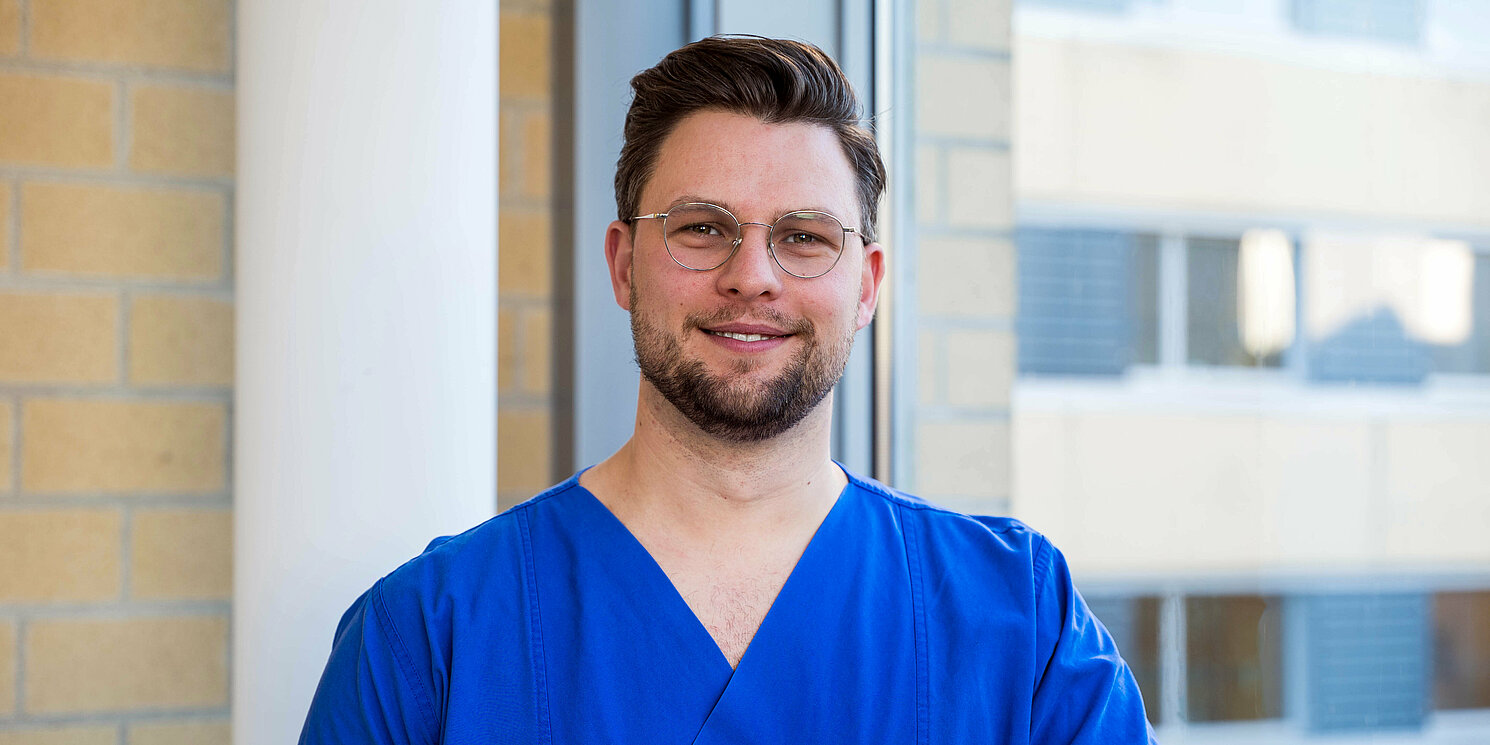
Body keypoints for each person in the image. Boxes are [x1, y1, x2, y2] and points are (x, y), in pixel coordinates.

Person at [299, 36, 1156, 744]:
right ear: (624, 264)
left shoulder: (1022, 627)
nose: (753, 276)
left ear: (866, 286)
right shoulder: (425, 639)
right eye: (702, 228)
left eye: (805, 235)